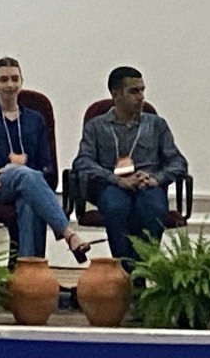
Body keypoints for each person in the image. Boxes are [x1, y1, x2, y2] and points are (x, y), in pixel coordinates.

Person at [0, 57, 89, 261]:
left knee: (29, 203)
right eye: (4, 79)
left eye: (15, 79)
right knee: (23, 175)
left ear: (22, 82)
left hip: (29, 184)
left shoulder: (35, 118)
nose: (10, 85)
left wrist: (30, 171)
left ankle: (27, 271)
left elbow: (47, 164)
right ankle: (68, 233)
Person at [73, 66, 188, 275]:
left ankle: (142, 271)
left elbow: (178, 162)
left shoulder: (157, 125)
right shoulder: (96, 126)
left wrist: (156, 178)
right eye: (134, 91)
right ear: (115, 94)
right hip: (112, 185)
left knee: (153, 208)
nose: (141, 96)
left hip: (148, 185)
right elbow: (82, 162)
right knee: (116, 207)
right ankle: (124, 272)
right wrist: (115, 179)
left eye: (142, 90)